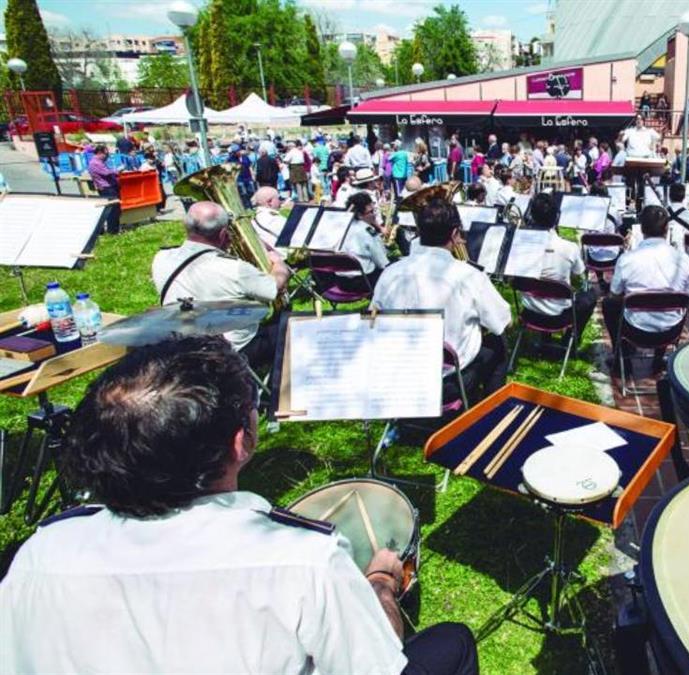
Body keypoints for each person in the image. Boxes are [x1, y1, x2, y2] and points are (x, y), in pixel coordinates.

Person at [0, 336, 479, 674]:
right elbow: (375, 662)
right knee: (452, 641)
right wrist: (380, 583)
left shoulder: (42, 554)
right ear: (240, 442)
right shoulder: (303, 561)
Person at [373, 199, 510, 397]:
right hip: (447, 384)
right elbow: (503, 320)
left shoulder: (389, 273)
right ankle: (491, 408)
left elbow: (374, 321)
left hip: (401, 374)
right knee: (499, 343)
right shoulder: (468, 276)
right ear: (455, 234)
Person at [151, 201, 290, 370]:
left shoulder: (161, 258)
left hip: (183, 347)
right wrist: (278, 263)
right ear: (224, 234)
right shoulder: (234, 269)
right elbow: (275, 288)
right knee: (288, 326)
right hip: (231, 352)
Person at [604, 206, 689, 368]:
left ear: (641, 228)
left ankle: (622, 358)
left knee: (609, 304)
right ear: (667, 229)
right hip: (671, 330)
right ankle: (658, 358)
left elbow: (614, 294)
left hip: (635, 330)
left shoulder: (627, 259)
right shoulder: (683, 259)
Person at [520, 193, 597, 343]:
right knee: (591, 295)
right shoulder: (569, 248)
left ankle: (545, 340)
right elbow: (579, 276)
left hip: (529, 312)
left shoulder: (521, 245)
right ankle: (570, 340)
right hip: (559, 316)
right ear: (556, 218)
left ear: (532, 216)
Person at [341, 192, 392, 289]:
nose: (374, 215)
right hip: (364, 282)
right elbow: (382, 263)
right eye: (371, 212)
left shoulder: (343, 227)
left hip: (342, 282)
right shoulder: (367, 231)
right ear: (360, 215)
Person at [88, 145, 122, 234]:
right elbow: (106, 173)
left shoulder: (100, 161)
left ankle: (115, 229)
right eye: (106, 153)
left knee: (116, 209)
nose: (107, 156)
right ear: (100, 153)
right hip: (107, 188)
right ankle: (112, 231)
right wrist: (117, 171)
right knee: (112, 210)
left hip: (110, 187)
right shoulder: (95, 163)